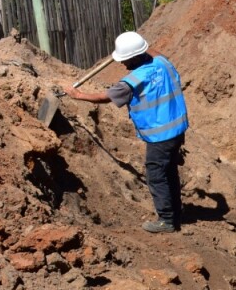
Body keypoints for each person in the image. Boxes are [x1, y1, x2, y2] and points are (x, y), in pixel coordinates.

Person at [64, 31, 189, 233]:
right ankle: (176, 211)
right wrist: (138, 43)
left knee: (156, 175)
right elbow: (153, 51)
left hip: (160, 136)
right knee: (169, 171)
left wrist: (77, 95)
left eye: (125, 59)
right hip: (177, 129)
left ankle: (166, 220)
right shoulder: (162, 62)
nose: (122, 63)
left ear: (135, 57)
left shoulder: (132, 81)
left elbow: (105, 97)